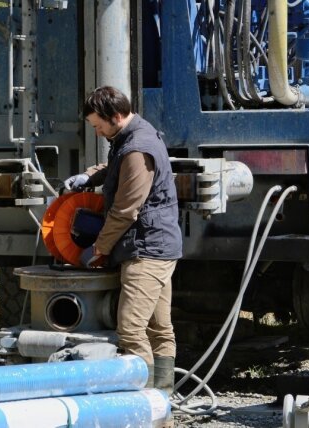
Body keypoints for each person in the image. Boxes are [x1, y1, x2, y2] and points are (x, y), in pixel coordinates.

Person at [64, 86, 182, 393]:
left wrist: (98, 248)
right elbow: (117, 169)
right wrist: (89, 177)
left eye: (98, 125)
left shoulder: (137, 147)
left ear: (115, 116)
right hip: (158, 245)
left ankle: (143, 404)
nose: (97, 131)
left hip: (147, 249)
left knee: (130, 331)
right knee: (159, 329)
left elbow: (125, 210)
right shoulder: (131, 135)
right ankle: (162, 405)